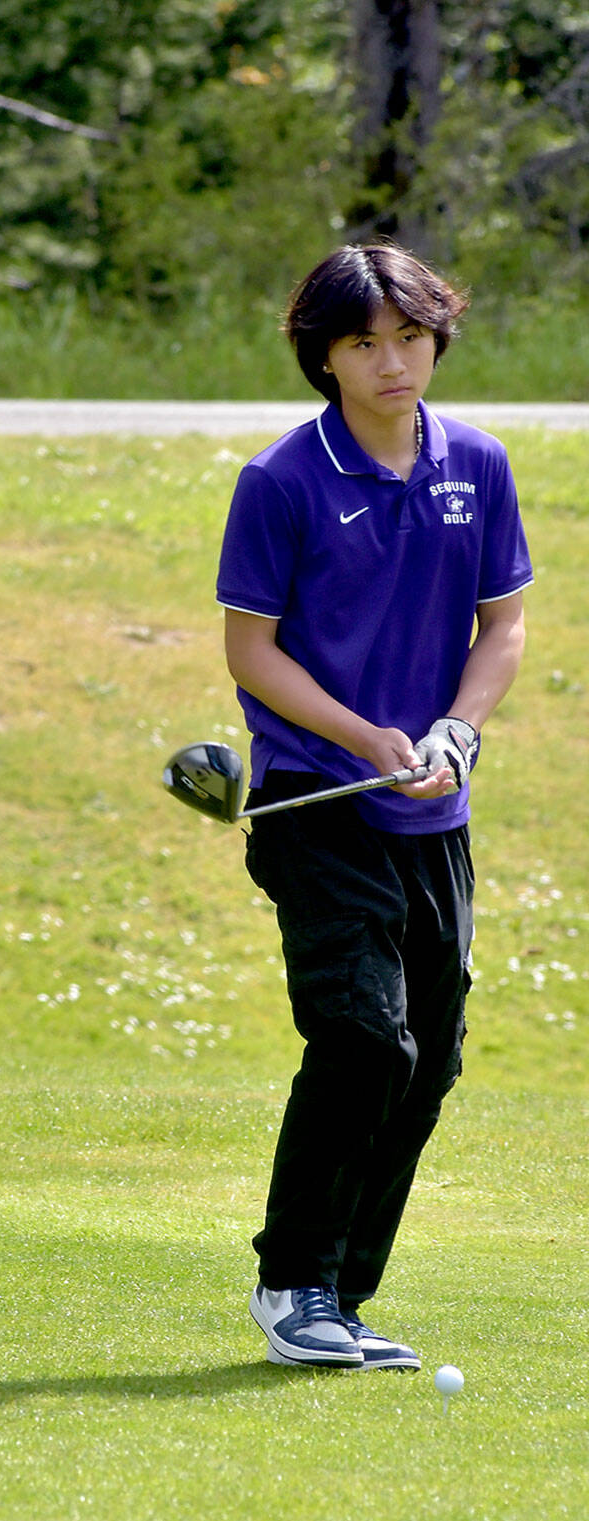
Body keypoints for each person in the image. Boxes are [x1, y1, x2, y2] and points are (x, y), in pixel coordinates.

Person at [216, 244, 532, 1369]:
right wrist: (362, 734)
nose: (392, 361)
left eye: (408, 335)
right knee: (360, 1037)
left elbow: (500, 624)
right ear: (325, 357)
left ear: (435, 336)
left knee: (428, 1054)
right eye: (363, 343)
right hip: (318, 794)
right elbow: (249, 651)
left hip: (431, 810)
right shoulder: (280, 481)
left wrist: (457, 728)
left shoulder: (476, 464)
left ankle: (339, 1295)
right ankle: (289, 1282)